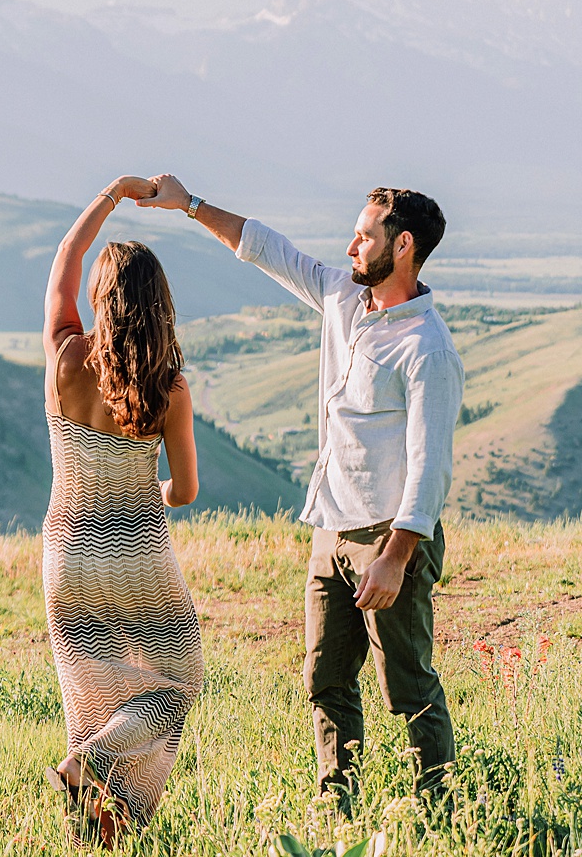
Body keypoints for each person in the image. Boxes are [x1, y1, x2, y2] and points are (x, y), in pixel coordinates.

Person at [139, 175, 463, 809]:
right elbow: (267, 249)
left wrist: (396, 557)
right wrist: (192, 205)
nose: (350, 246)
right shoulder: (343, 298)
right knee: (324, 680)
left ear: (401, 247)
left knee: (408, 687)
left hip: (386, 538)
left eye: (363, 236)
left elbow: (431, 467)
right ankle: (335, 806)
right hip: (329, 529)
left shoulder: (427, 349)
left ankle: (442, 811)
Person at [39, 176, 204, 845]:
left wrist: (110, 195)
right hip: (136, 554)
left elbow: (63, 265)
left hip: (67, 553)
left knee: (93, 702)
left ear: (101, 300)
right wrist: (147, 493)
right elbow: (185, 491)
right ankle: (89, 766)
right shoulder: (168, 388)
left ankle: (100, 832)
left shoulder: (66, 358)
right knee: (178, 684)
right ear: (160, 305)